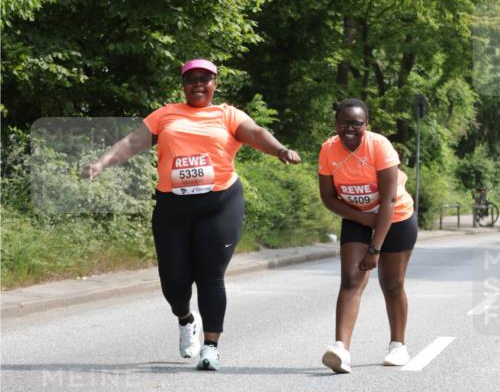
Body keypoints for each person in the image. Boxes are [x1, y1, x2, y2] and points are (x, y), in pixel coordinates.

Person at [81, 59, 300, 371]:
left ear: (215, 83)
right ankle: (186, 319)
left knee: (211, 276)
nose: (198, 84)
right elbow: (131, 142)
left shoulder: (227, 114)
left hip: (220, 204)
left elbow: (255, 132)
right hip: (173, 207)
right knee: (174, 281)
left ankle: (211, 347)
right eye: (192, 79)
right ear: (183, 84)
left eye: (205, 79)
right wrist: (101, 163)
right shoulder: (165, 114)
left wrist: (279, 150)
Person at [318, 98, 418, 374]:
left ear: (366, 124)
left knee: (391, 283)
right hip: (357, 217)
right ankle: (341, 349)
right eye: (344, 123)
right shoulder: (328, 149)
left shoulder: (379, 146)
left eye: (357, 123)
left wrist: (375, 250)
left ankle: (398, 345)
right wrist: (362, 218)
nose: (350, 128)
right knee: (351, 280)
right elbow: (327, 197)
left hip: (395, 217)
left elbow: (387, 201)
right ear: (335, 123)